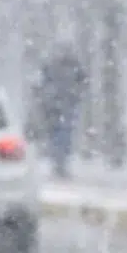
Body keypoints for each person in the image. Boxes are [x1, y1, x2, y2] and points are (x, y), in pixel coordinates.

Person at [37, 47, 87, 179]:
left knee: (60, 136)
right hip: (60, 107)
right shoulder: (70, 67)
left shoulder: (53, 68)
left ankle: (59, 164)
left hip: (60, 107)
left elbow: (42, 84)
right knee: (61, 136)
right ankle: (59, 164)